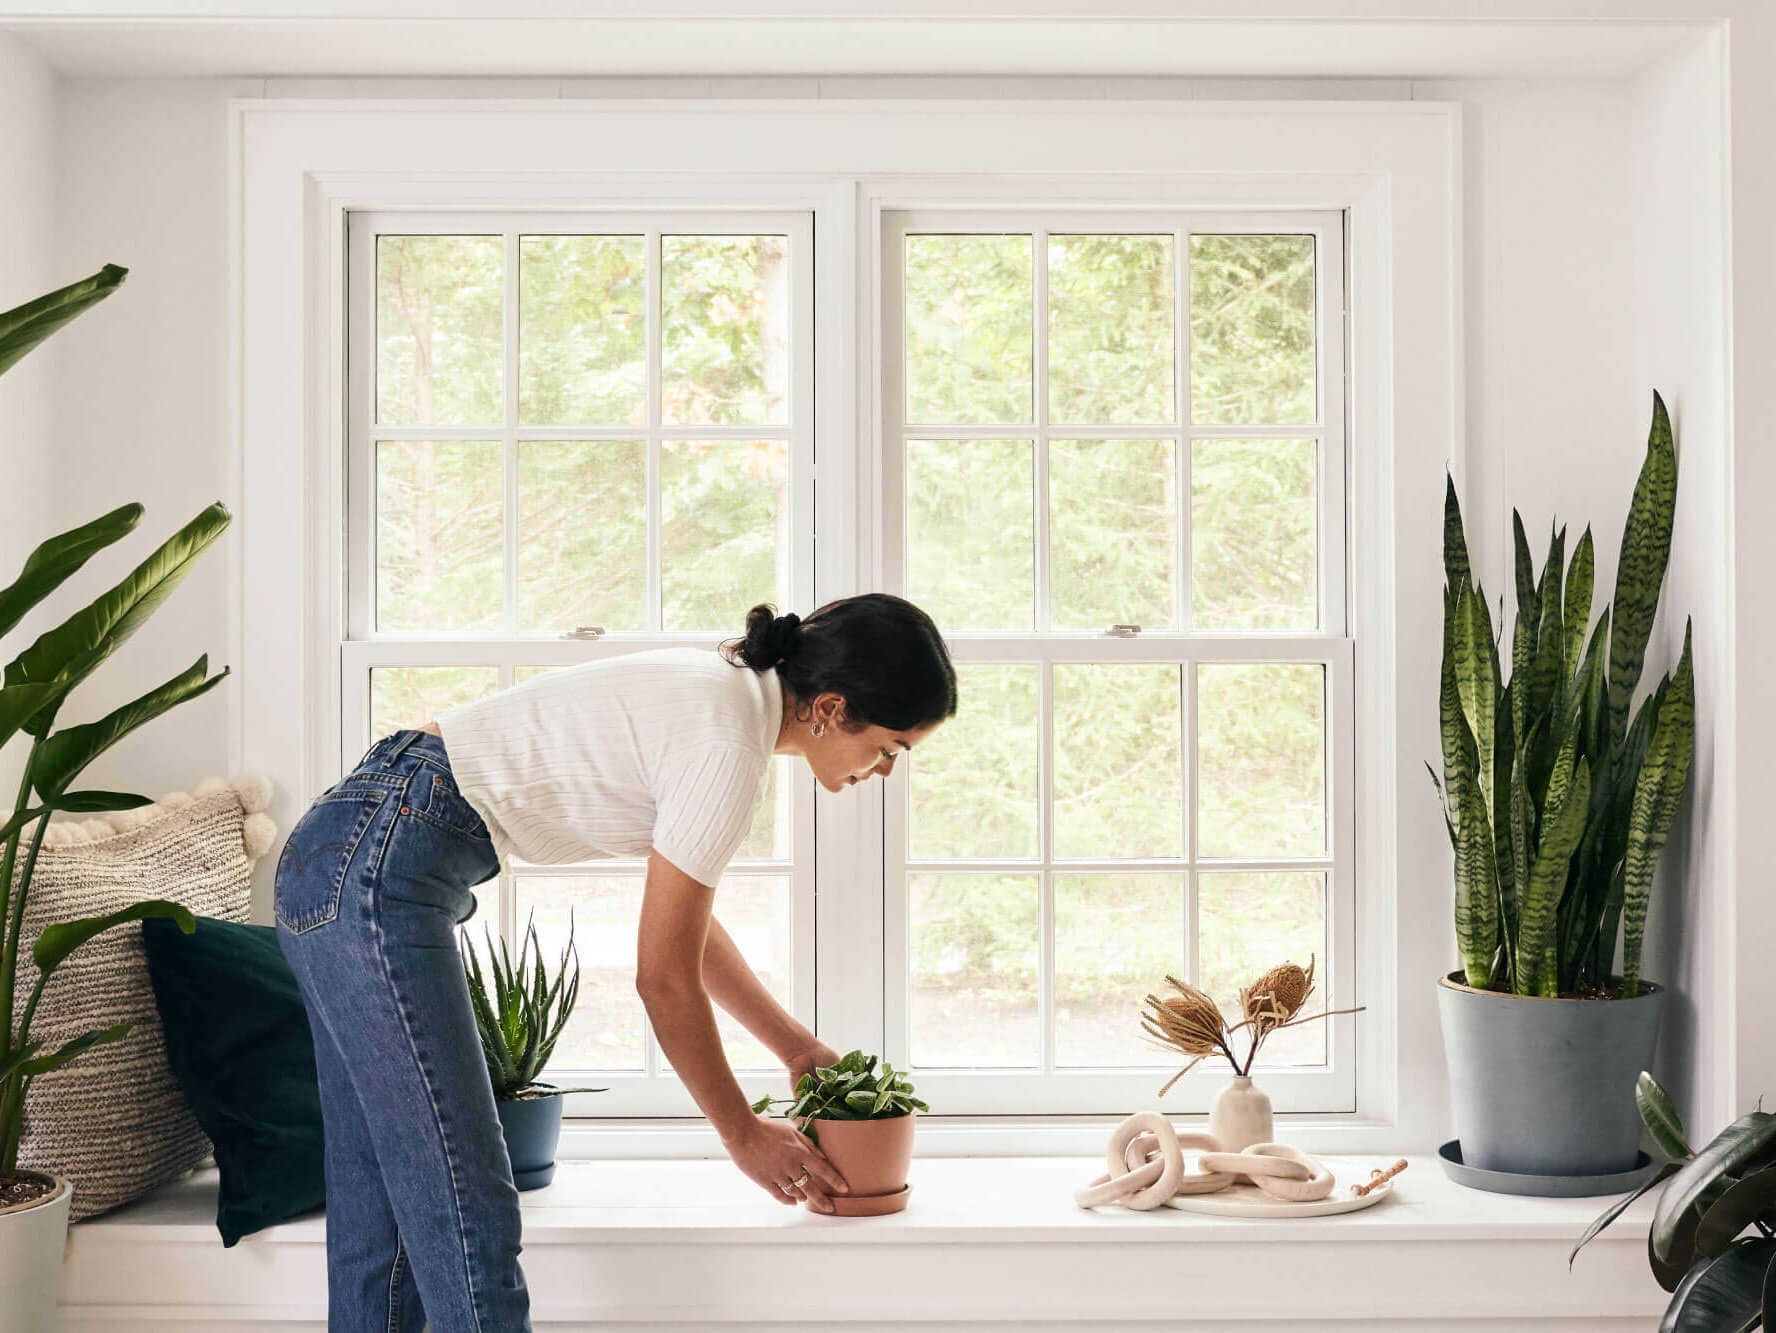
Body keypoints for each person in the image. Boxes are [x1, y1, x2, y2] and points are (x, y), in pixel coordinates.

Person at [273, 592, 957, 1332]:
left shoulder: (719, 699)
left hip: (339, 854)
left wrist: (795, 1048)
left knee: (382, 1220)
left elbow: (685, 938)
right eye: (890, 746)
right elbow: (662, 978)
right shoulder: (727, 743)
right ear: (829, 707)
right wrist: (745, 1133)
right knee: (467, 1207)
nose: (885, 769)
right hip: (381, 864)